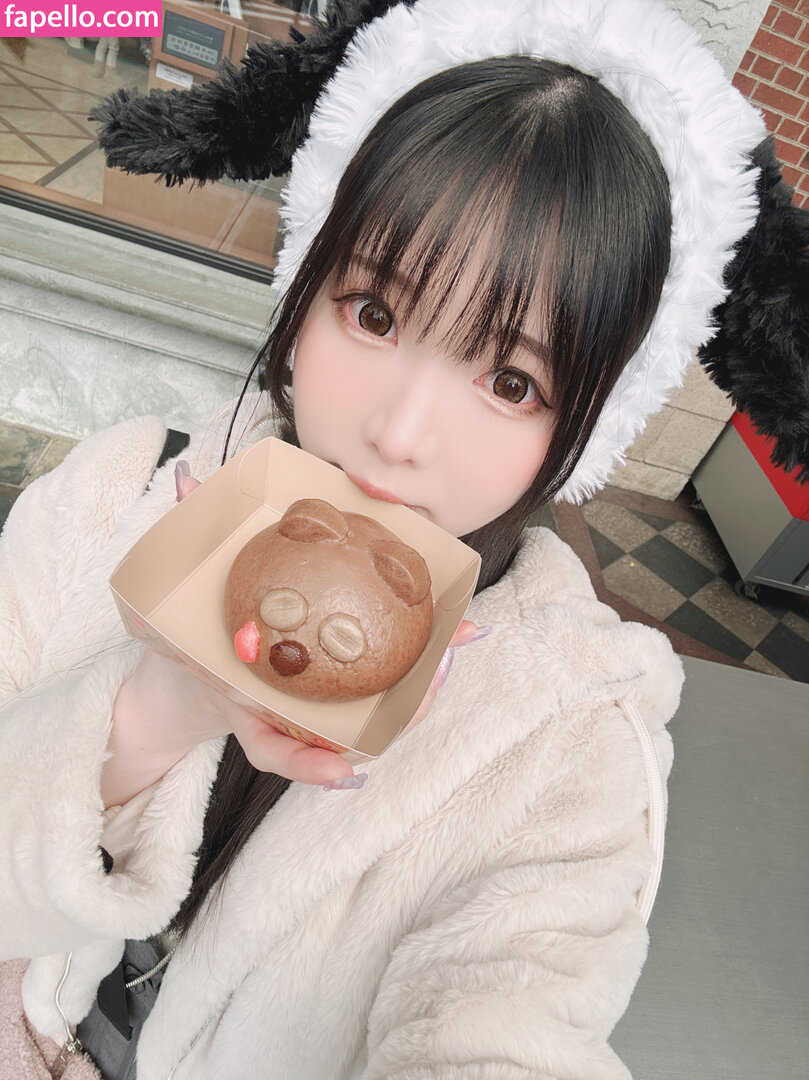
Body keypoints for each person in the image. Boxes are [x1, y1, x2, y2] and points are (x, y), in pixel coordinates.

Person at [0, 1, 776, 1077]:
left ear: (584, 428)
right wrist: (150, 714)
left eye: (510, 381)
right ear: (307, 280)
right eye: (374, 313)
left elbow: (510, 1025)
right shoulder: (111, 495)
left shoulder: (570, 741)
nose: (399, 434)